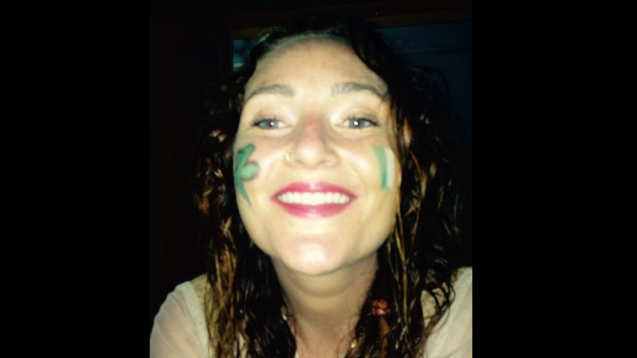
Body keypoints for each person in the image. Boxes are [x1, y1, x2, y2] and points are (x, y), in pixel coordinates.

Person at [150, 12, 472, 358]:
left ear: (409, 164)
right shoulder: (194, 323)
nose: (310, 148)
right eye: (270, 120)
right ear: (228, 161)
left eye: (357, 120)